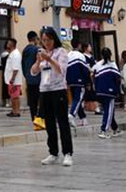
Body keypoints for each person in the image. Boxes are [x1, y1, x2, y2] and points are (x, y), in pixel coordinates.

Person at [32, 27, 73, 167]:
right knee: (49, 123)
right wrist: (38, 61)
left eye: (48, 40)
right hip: (45, 90)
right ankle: (53, 152)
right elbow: (33, 72)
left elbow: (61, 70)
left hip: (58, 89)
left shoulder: (61, 52)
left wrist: (49, 59)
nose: (46, 43)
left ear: (54, 39)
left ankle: (67, 153)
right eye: (43, 40)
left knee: (62, 122)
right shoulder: (42, 53)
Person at [93, 47, 122, 139]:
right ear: (110, 55)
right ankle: (104, 130)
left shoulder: (97, 64)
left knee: (108, 110)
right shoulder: (112, 65)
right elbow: (118, 78)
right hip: (109, 92)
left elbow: (93, 76)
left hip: (99, 91)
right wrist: (117, 90)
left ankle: (115, 128)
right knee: (108, 111)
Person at [66, 40, 90, 127]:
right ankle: (71, 114)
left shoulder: (68, 55)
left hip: (70, 81)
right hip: (79, 80)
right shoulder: (80, 55)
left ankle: (83, 118)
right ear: (79, 45)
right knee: (78, 98)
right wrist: (87, 82)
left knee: (76, 99)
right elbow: (85, 70)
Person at [21, 31, 41, 123]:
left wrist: (26, 76)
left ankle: (34, 119)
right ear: (35, 38)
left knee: (32, 102)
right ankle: (41, 119)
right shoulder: (37, 49)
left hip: (29, 80)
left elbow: (23, 65)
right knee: (41, 101)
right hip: (38, 79)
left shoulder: (25, 50)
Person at [4, 38, 23, 118]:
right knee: (12, 96)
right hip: (11, 80)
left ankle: (16, 111)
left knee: (15, 97)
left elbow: (16, 68)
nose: (7, 45)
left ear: (12, 44)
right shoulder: (12, 54)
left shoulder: (16, 55)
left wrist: (12, 79)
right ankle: (13, 110)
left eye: (8, 43)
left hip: (14, 80)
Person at [82, 43, 98, 114]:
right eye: (89, 46)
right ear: (85, 48)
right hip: (88, 77)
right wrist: (91, 71)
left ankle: (97, 108)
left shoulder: (92, 56)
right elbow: (87, 66)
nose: (90, 48)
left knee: (93, 92)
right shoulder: (83, 56)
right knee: (87, 93)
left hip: (94, 76)